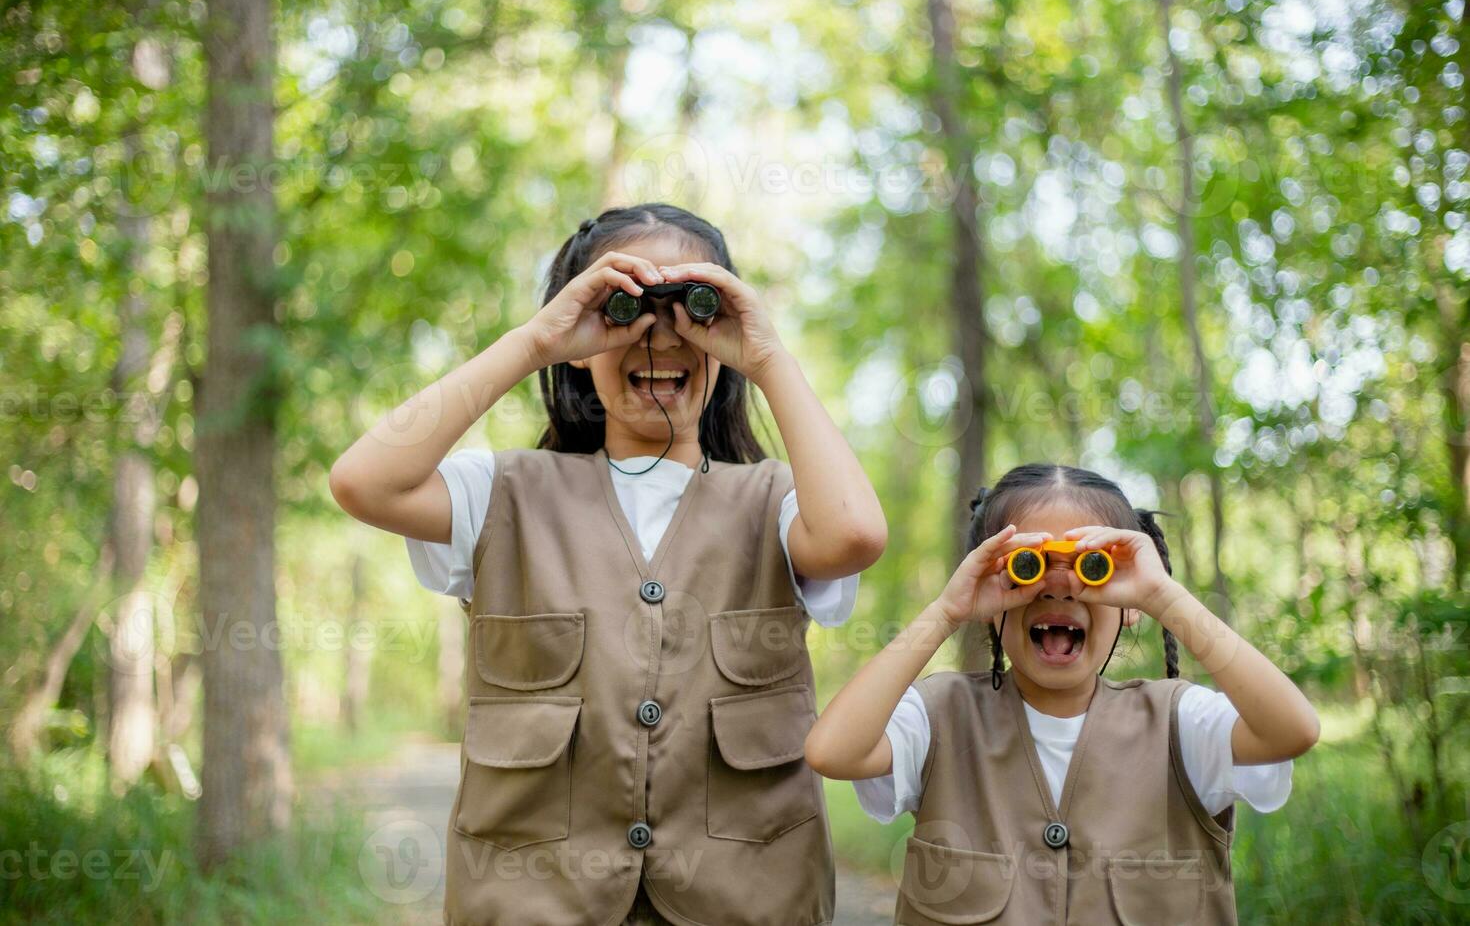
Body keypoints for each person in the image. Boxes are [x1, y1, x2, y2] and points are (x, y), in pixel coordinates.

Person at [331, 202, 886, 926]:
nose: (660, 334)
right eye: (623, 306)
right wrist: (535, 341)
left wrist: (768, 355)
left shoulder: (777, 502)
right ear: (581, 335)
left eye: (691, 304)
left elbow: (853, 536)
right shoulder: (502, 494)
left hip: (749, 904)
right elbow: (362, 481)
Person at [804, 463, 1318, 924]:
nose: (1056, 586)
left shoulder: (1181, 724)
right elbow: (832, 751)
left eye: (1091, 565)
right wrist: (946, 612)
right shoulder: (939, 718)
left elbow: (1293, 730)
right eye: (1025, 564)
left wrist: (1164, 595)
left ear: (1130, 600)